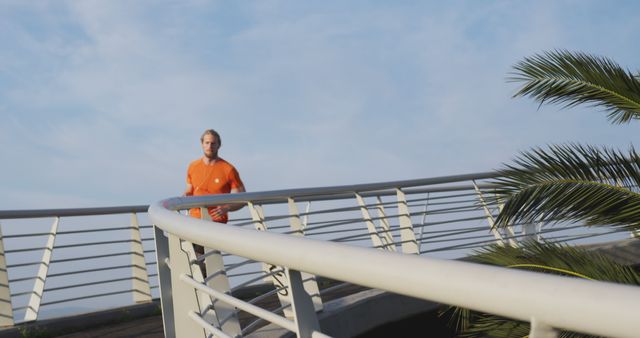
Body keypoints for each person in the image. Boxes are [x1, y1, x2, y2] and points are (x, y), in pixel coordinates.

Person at [183, 129, 245, 273]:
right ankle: (203, 290)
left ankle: (209, 290)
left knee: (205, 263)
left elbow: (242, 198)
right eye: (207, 143)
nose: (210, 146)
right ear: (202, 144)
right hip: (194, 221)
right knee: (190, 261)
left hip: (215, 223)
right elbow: (189, 189)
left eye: (213, 143)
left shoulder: (228, 169)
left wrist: (227, 207)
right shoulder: (193, 166)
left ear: (219, 145)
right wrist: (183, 198)